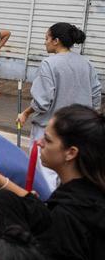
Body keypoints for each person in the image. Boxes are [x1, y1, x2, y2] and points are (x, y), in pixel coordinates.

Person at [0, 104, 105, 260]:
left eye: (48, 140)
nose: (40, 143)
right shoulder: (90, 192)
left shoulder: (67, 216)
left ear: (71, 153)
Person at [20, 23, 101, 188]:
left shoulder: (49, 64)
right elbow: (96, 98)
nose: (45, 42)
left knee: (45, 176)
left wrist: (26, 113)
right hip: (80, 130)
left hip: (49, 130)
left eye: (46, 38)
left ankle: (47, 210)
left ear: (56, 41)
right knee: (72, 175)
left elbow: (42, 102)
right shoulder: (87, 64)